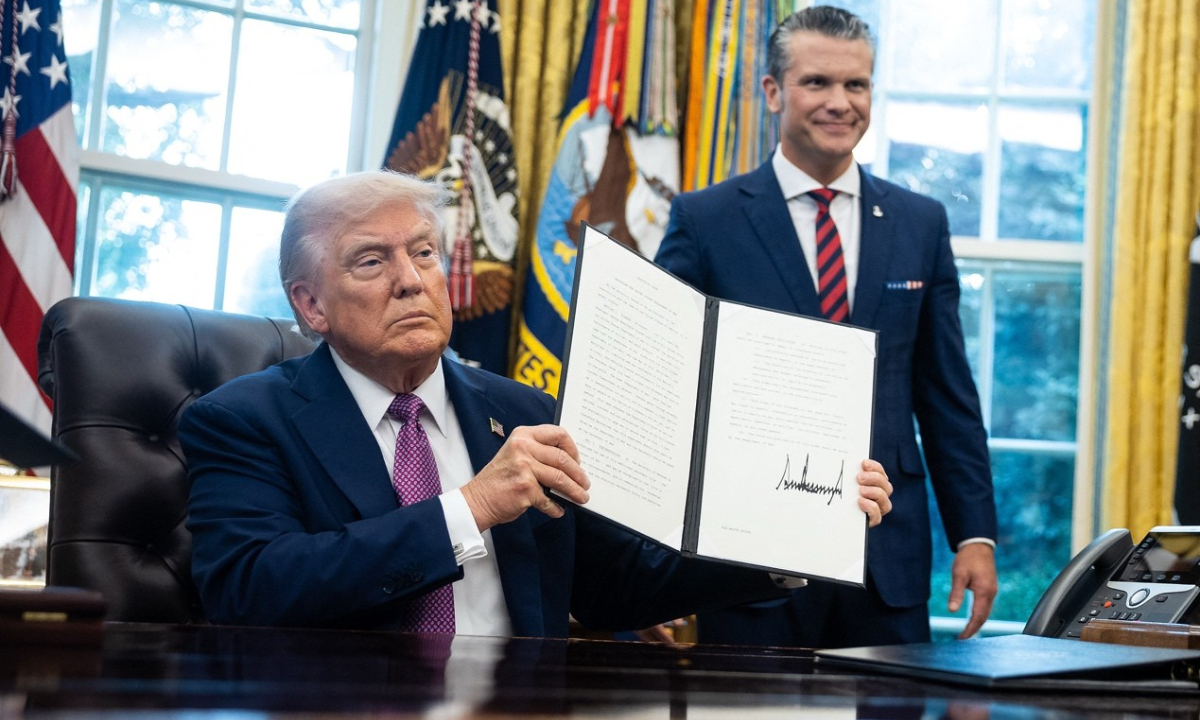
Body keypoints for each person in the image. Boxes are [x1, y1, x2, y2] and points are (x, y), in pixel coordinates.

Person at [178, 169, 895, 636]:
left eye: (424, 254)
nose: (411, 280)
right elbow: (250, 590)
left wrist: (792, 535)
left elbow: (616, 587)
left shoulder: (522, 408)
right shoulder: (243, 420)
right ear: (310, 305)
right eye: (372, 261)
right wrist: (471, 508)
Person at [654, 6, 998, 648]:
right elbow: (663, 390)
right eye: (817, 83)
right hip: (745, 561)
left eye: (857, 85)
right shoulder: (706, 220)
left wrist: (974, 534)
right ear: (773, 91)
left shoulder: (921, 223)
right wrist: (647, 556)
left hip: (886, 560)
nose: (840, 103)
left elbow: (947, 396)